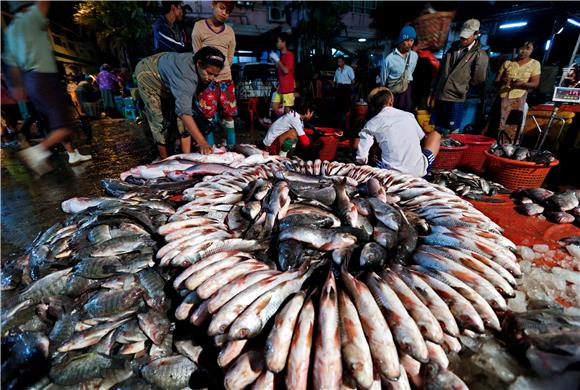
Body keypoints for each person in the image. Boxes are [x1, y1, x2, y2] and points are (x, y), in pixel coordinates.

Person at [4, 1, 92, 176]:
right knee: (66, 124)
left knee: (56, 120)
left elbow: (10, 63)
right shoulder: (30, 17)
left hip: (31, 80)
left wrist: (18, 86)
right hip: (43, 76)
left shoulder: (11, 30)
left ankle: (72, 154)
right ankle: (37, 152)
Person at [135, 46, 225, 159]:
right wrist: (202, 141)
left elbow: (185, 109)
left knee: (183, 117)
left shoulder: (200, 73)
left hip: (169, 68)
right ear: (198, 64)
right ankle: (164, 159)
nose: (211, 78)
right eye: (209, 73)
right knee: (158, 119)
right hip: (148, 72)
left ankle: (185, 156)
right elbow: (184, 112)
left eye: (215, 75)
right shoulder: (186, 78)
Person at [356, 87, 441, 177]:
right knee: (436, 134)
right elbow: (423, 139)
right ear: (391, 101)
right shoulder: (409, 116)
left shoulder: (371, 124)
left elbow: (361, 158)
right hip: (418, 173)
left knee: (379, 144)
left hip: (390, 175)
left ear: (372, 105)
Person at [428, 19, 489, 134]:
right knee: (437, 129)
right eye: (462, 36)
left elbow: (479, 78)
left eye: (467, 37)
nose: (463, 39)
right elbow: (440, 72)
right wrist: (433, 92)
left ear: (476, 34)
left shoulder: (480, 55)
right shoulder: (451, 49)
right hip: (441, 96)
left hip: (456, 98)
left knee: (452, 132)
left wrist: (462, 87)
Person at [192, 1, 237, 146]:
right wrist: (206, 75)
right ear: (213, 4)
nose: (224, 13)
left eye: (228, 11)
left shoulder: (230, 31)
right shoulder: (199, 27)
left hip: (226, 80)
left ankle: (232, 147)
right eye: (222, 8)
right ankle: (210, 148)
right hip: (206, 80)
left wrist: (222, 72)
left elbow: (229, 57)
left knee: (229, 115)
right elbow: (196, 55)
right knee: (207, 116)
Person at [487, 41, 541, 142]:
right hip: (502, 98)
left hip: (517, 100)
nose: (523, 51)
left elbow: (535, 83)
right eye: (522, 48)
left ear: (532, 51)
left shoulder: (534, 64)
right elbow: (496, 81)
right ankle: (490, 148)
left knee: (511, 126)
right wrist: (503, 80)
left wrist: (522, 84)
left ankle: (505, 150)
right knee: (494, 124)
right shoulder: (508, 63)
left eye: (528, 48)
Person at [381, 25, 418, 112]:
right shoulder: (389, 59)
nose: (409, 43)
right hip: (392, 92)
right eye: (406, 40)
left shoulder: (414, 56)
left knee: (405, 116)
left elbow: (410, 73)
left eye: (412, 40)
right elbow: (383, 80)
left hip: (407, 90)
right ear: (400, 41)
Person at [270, 32, 296, 117]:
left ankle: (295, 124)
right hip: (281, 87)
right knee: (274, 106)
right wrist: (275, 61)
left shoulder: (289, 55)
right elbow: (280, 70)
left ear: (284, 42)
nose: (277, 43)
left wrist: (277, 60)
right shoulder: (281, 56)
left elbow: (286, 71)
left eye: (279, 41)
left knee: (288, 110)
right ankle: (284, 123)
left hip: (288, 87)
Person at [334, 55, 355, 129]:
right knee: (339, 106)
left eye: (340, 61)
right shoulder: (337, 70)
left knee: (346, 105)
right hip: (339, 88)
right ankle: (340, 124)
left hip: (346, 88)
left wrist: (351, 89)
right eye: (338, 61)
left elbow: (353, 80)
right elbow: (335, 81)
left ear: (343, 61)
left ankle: (346, 125)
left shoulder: (349, 69)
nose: (338, 63)